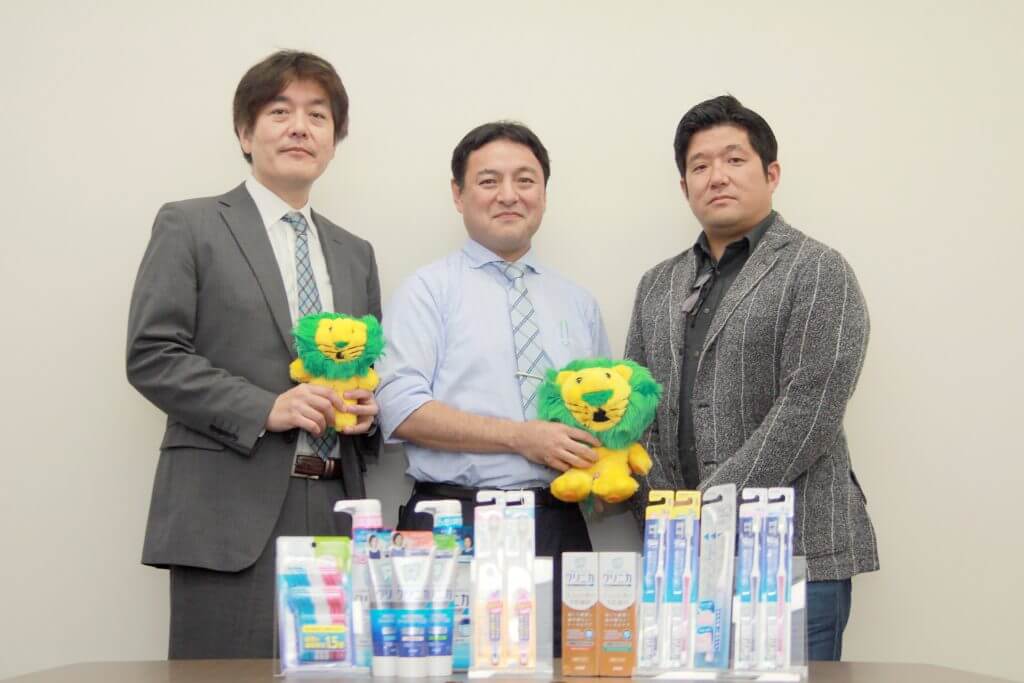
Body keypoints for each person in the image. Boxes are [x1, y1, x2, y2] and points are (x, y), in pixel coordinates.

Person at [126, 50, 381, 659]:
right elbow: (152, 354)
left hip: (334, 506)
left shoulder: (356, 253)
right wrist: (267, 407)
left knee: (332, 672)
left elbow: (367, 370)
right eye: (279, 112)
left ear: (334, 141)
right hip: (226, 509)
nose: (300, 128)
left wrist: (368, 414)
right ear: (245, 133)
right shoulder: (189, 225)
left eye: (317, 115)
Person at [624, 95, 878, 661]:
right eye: (700, 165)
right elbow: (635, 409)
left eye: (735, 160)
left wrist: (706, 511)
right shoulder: (656, 284)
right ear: (685, 185)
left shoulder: (818, 268)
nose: (717, 176)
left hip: (796, 551)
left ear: (771, 174)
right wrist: (666, 518)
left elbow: (808, 410)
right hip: (679, 559)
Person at [375, 121, 612, 650]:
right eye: (489, 181)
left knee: (566, 670)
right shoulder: (426, 291)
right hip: (454, 525)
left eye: (525, 180)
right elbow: (400, 410)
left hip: (558, 525)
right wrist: (521, 437)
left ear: (544, 193)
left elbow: (605, 417)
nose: (509, 195)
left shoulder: (578, 303)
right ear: (458, 195)